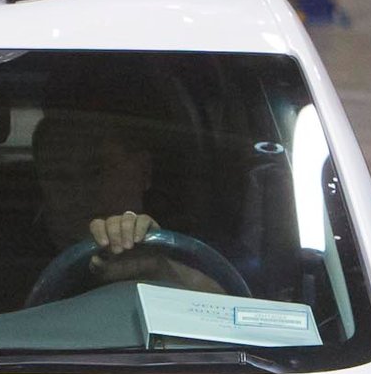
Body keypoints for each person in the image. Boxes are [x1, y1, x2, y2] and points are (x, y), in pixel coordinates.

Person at [28, 110, 232, 294]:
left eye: (97, 172)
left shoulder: (195, 244)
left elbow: (237, 316)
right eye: (58, 177)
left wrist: (159, 268)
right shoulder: (10, 257)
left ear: (143, 171)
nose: (80, 192)